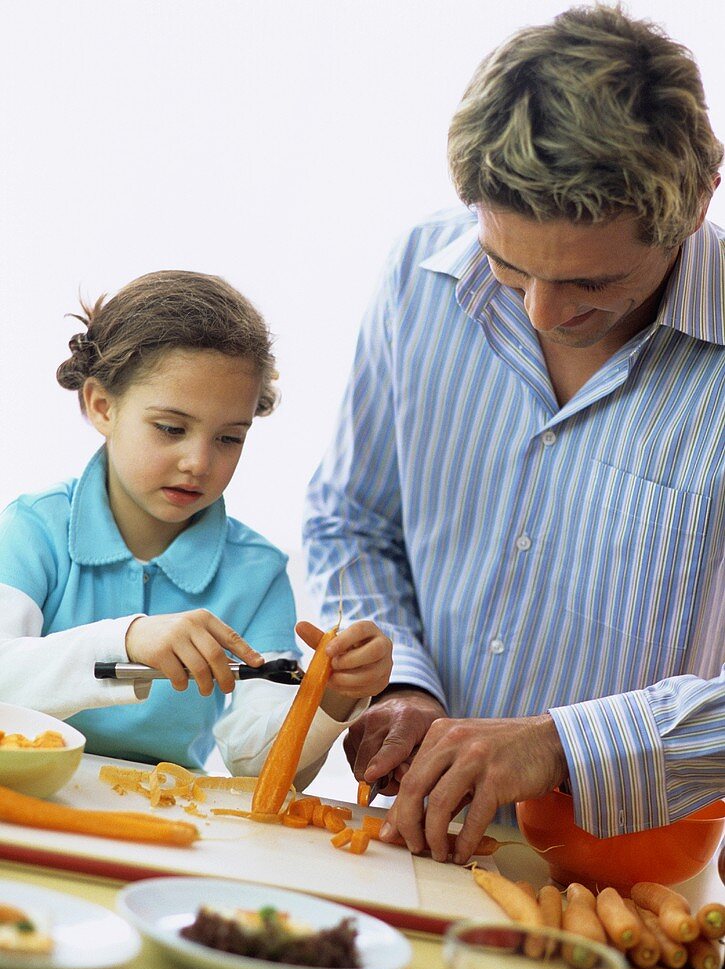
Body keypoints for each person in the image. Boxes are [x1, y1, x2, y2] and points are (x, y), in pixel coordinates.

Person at [302, 4, 725, 861]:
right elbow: (350, 519)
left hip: (622, 882)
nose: (542, 311)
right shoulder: (416, 276)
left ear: (696, 201)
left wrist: (560, 745)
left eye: (592, 282)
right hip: (400, 848)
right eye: (507, 267)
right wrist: (405, 680)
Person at [0, 270, 392, 787]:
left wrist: (335, 694)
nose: (198, 462)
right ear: (102, 406)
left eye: (230, 438)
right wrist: (130, 639)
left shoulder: (257, 573)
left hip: (166, 815)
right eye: (171, 429)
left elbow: (258, 762)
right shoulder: (33, 529)